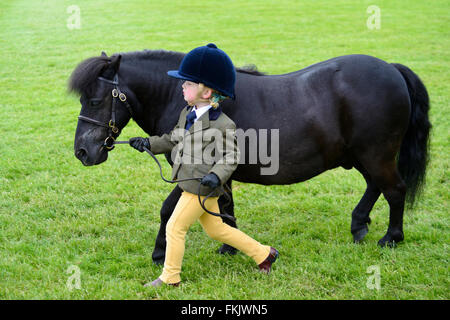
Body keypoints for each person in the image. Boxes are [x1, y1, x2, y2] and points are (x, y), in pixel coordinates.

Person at [129, 43, 278, 287]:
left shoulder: (223, 125)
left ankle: (170, 278)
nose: (182, 87)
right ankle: (264, 253)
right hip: (189, 182)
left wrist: (216, 176)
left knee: (175, 227)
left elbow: (231, 157)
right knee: (217, 230)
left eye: (187, 84)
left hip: (201, 186)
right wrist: (148, 143)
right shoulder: (187, 113)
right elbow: (173, 138)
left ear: (206, 92)